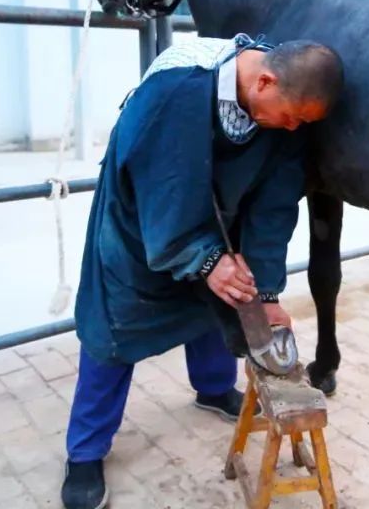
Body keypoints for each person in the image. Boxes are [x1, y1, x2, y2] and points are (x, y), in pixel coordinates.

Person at [61, 32, 344, 509]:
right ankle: (85, 451)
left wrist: (268, 292)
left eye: (303, 122)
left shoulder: (288, 112)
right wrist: (205, 258)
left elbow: (275, 205)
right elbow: (161, 183)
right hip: (141, 218)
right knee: (116, 327)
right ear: (265, 81)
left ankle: (213, 388)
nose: (294, 128)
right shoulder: (176, 92)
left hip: (215, 215)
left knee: (229, 294)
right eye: (292, 117)